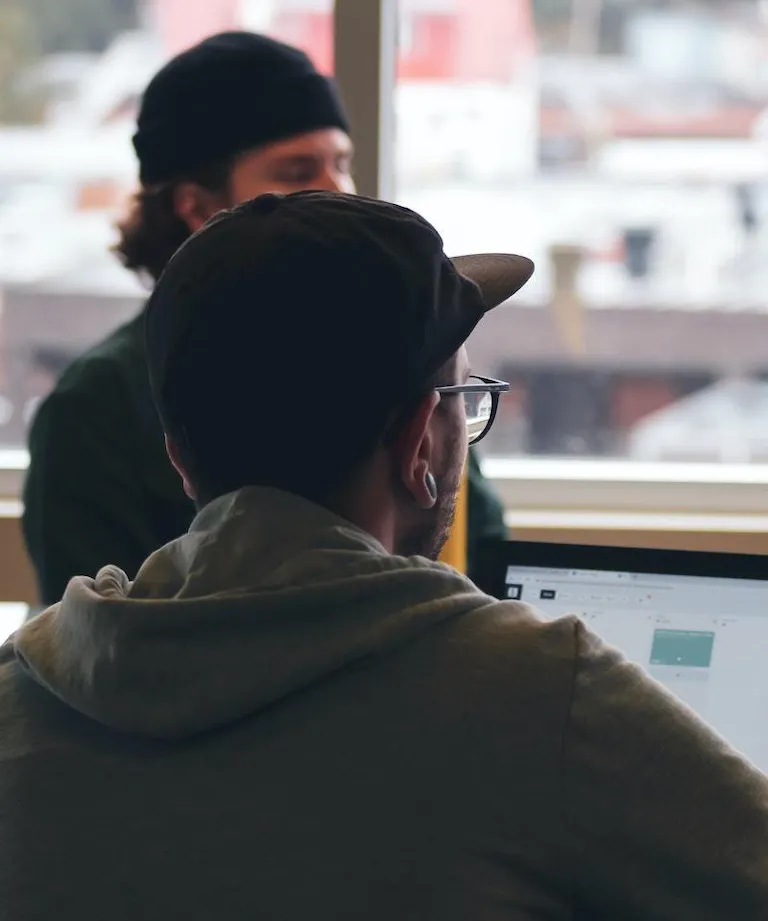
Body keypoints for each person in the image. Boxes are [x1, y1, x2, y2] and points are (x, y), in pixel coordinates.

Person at [4, 191, 768, 920]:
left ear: (179, 456)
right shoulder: (534, 693)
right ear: (416, 448)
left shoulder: (26, 692)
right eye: (465, 402)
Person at [22, 31, 506, 606]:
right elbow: (99, 656)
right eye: (299, 171)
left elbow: (486, 559)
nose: (339, 192)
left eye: (342, 164)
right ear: (196, 207)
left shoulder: (406, 349)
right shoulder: (95, 410)